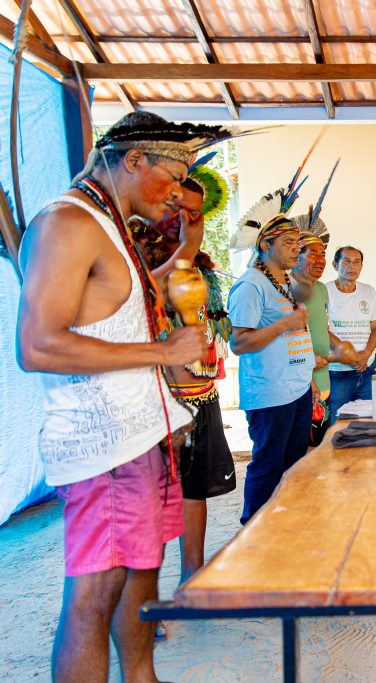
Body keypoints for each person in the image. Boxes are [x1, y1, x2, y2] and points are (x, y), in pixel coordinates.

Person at [17, 112, 222, 682]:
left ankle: (141, 676)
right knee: (94, 597)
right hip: (103, 452)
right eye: (176, 173)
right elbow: (36, 346)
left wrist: (190, 242)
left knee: (141, 575)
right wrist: (162, 354)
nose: (181, 192)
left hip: (140, 440)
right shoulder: (68, 222)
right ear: (135, 161)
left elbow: (132, 297)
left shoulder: (110, 224)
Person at [131, 165, 236, 589]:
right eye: (179, 210)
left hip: (202, 393)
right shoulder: (138, 254)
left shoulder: (199, 268)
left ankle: (192, 575)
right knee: (153, 502)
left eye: (196, 215)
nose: (189, 223)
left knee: (195, 491)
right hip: (161, 401)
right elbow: (137, 298)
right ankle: (143, 598)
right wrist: (183, 255)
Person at [228, 183, 315, 523]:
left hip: (297, 388)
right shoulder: (251, 285)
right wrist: (284, 324)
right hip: (270, 394)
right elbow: (239, 343)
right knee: (268, 463)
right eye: (288, 243)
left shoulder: (284, 282)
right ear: (265, 246)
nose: (297, 249)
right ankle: (254, 527)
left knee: (294, 461)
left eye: (298, 243)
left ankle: (283, 523)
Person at [290, 204, 335, 446]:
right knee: (300, 452)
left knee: (318, 446)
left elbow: (320, 328)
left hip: (323, 381)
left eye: (323, 254)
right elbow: (290, 340)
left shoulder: (320, 289)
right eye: (313, 254)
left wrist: (340, 348)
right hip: (303, 385)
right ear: (296, 255)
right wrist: (309, 378)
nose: (321, 260)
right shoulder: (286, 289)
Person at [327, 246, 376, 422]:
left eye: (357, 262)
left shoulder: (368, 291)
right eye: (347, 261)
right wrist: (350, 356)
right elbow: (321, 329)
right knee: (338, 424)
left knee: (368, 422)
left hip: (366, 369)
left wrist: (365, 354)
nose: (352, 266)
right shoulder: (325, 291)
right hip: (338, 372)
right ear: (335, 265)